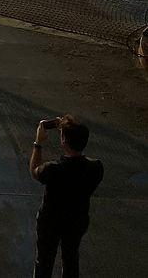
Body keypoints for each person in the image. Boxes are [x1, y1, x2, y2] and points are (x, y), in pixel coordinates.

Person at [29, 114, 103, 278]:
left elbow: (34, 170)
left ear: (64, 141)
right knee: (71, 259)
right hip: (77, 221)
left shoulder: (53, 169)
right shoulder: (96, 168)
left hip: (50, 222)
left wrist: (38, 143)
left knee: (44, 262)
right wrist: (66, 132)